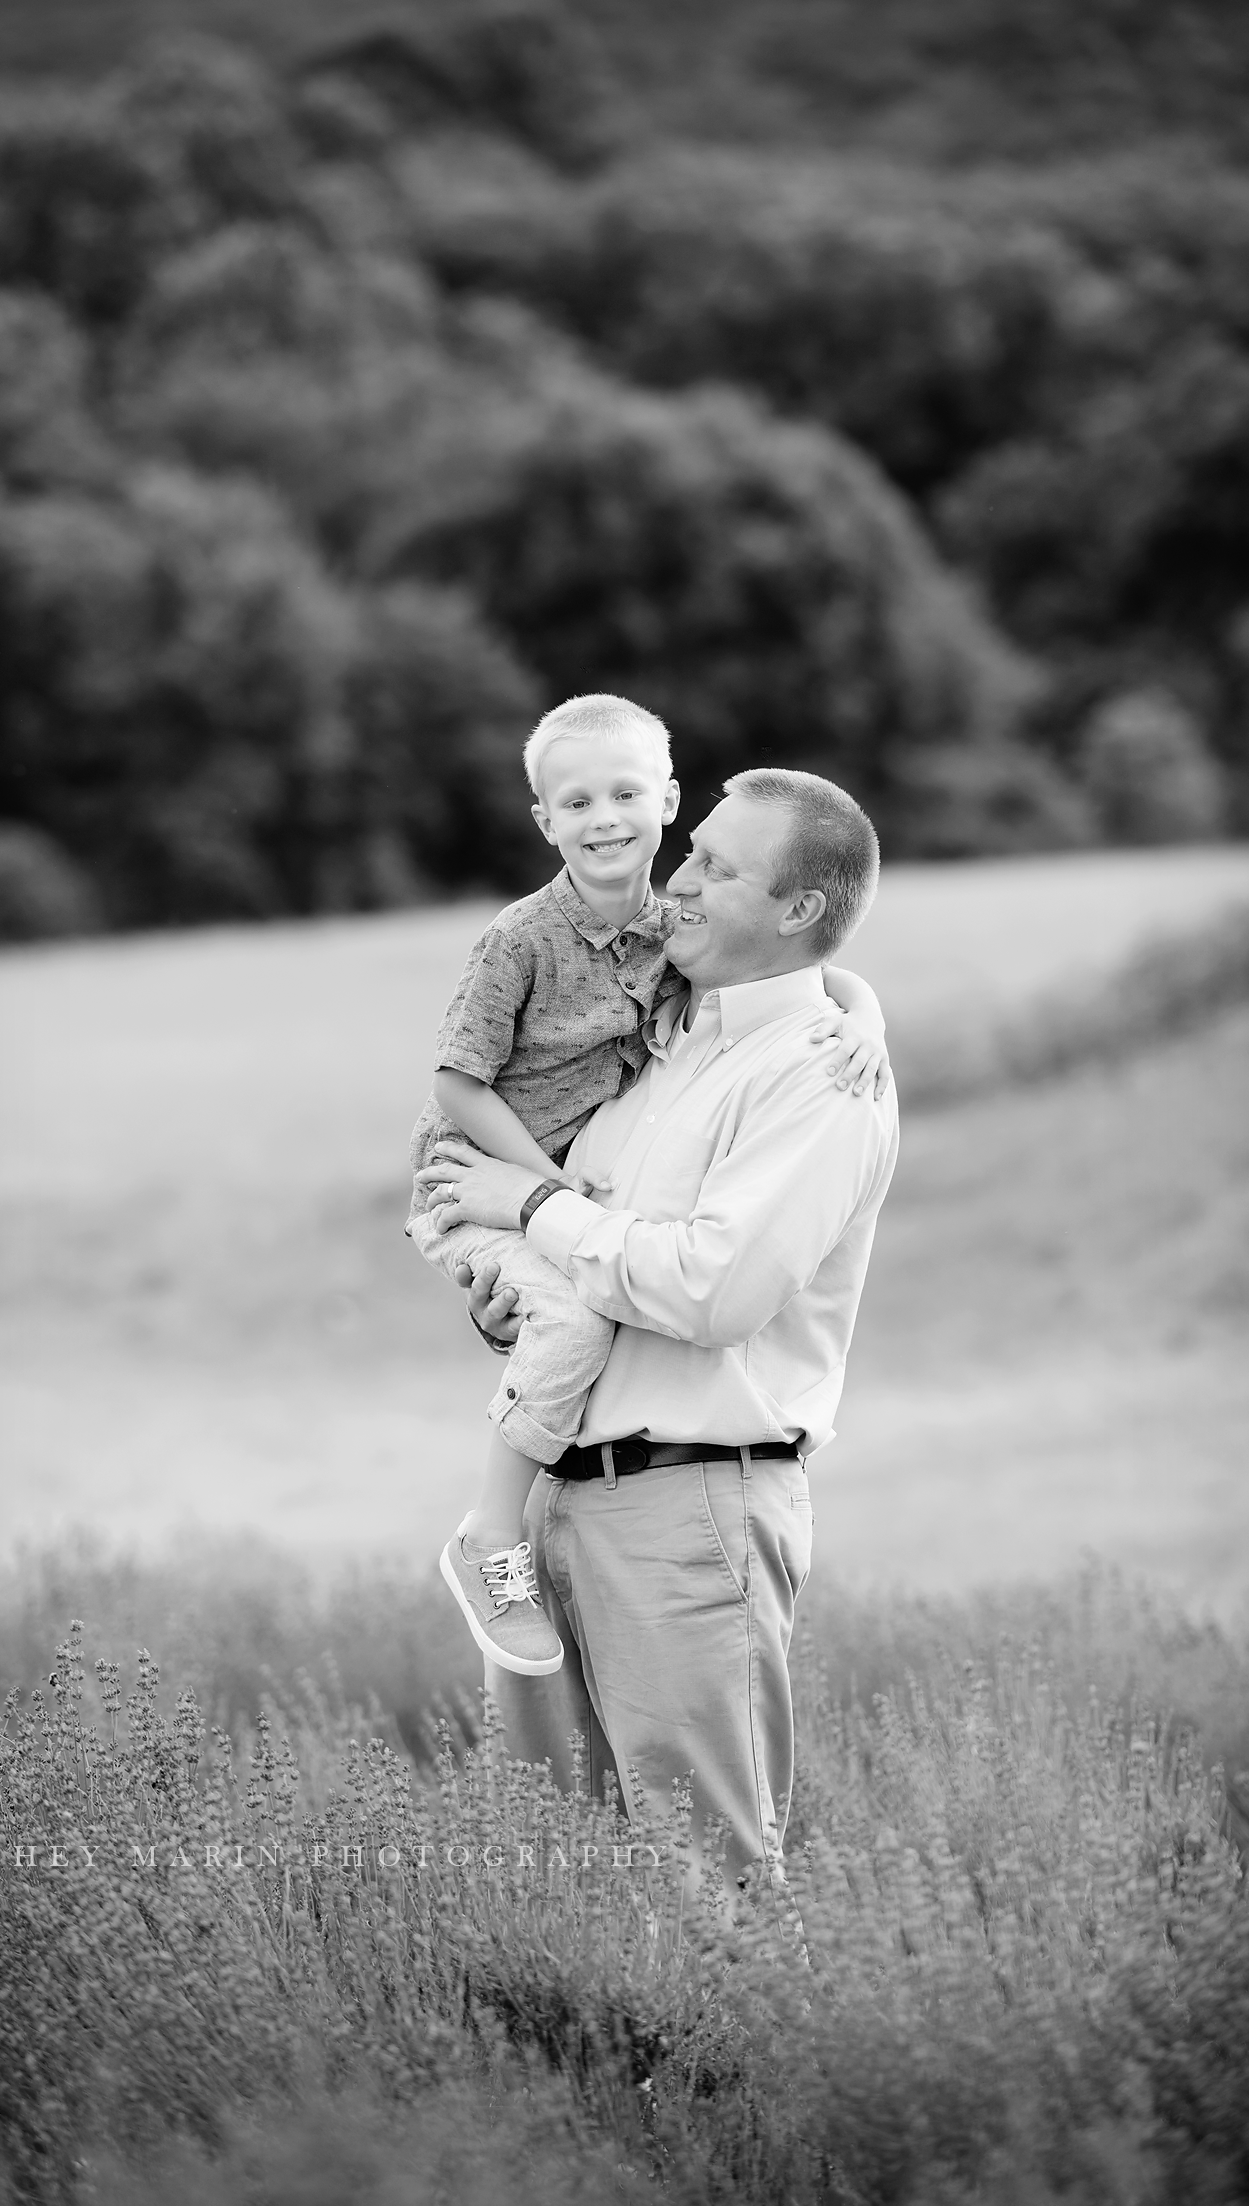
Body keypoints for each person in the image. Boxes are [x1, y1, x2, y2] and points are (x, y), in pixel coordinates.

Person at [416, 767, 900, 1886]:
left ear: (797, 912)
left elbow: (714, 1294)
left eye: (717, 867)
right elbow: (592, 1267)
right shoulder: (655, 1035)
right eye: (695, 851)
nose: (677, 877)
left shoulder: (820, 1074)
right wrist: (507, 1309)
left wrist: (535, 1204)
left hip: (690, 1511)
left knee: (708, 1886)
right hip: (555, 1507)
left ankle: (740, 2068)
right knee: (558, 1880)